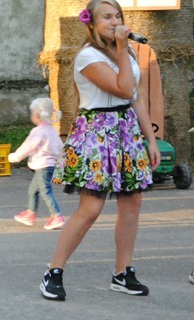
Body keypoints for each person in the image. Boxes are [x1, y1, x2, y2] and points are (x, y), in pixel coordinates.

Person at [39, 0, 160, 301]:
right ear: (91, 23)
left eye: (118, 15)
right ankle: (53, 271)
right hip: (97, 133)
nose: (114, 21)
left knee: (132, 204)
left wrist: (151, 139)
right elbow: (121, 88)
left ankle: (123, 272)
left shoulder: (128, 52)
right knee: (91, 208)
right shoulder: (87, 56)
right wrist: (121, 49)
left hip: (126, 131)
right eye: (107, 17)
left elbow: (136, 97)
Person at [8, 98, 65, 230]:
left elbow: (28, 147)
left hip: (42, 166)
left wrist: (15, 157)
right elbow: (60, 148)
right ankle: (30, 213)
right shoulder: (52, 130)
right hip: (51, 166)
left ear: (37, 115)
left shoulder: (38, 132)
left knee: (45, 191)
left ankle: (56, 216)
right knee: (33, 191)